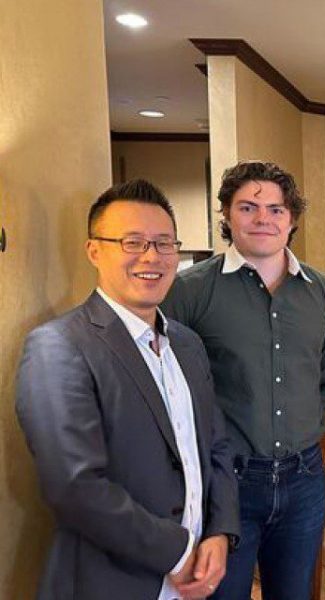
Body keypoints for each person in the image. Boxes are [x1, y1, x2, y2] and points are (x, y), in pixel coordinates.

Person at [16, 180, 239, 600]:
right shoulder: (59, 345)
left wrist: (220, 531)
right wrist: (178, 553)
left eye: (163, 243)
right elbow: (73, 486)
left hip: (195, 577)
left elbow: (216, 447)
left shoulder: (187, 344)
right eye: (132, 242)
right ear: (94, 251)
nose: (151, 256)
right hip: (112, 581)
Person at [160, 161, 325, 600]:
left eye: (276, 209)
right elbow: (170, 388)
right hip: (227, 485)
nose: (263, 218)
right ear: (226, 214)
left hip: (304, 479)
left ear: (292, 219)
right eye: (248, 207)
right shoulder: (189, 291)